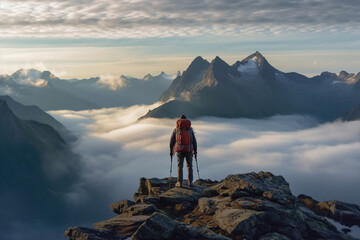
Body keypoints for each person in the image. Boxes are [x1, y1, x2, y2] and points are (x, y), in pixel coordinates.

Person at [170, 115, 197, 187]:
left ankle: (180, 183)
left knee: (180, 166)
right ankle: (190, 182)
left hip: (180, 150)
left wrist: (171, 151)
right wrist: (195, 151)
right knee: (190, 166)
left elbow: (172, 141)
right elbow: (194, 141)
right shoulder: (190, 129)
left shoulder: (176, 129)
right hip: (189, 150)